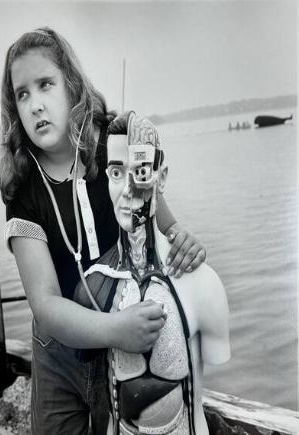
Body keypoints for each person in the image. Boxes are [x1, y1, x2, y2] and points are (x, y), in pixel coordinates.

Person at [0, 27, 206, 435]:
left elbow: (162, 225)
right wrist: (116, 329)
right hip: (58, 352)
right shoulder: (23, 187)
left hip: (123, 348)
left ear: (71, 85)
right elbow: (44, 304)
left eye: (45, 85)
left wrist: (182, 239)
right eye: (22, 94)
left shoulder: (112, 143)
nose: (36, 104)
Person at [75, 112, 230, 434]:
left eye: (141, 172)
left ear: (161, 177)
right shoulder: (93, 287)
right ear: (105, 177)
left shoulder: (203, 286)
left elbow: (196, 403)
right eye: (117, 172)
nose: (129, 189)